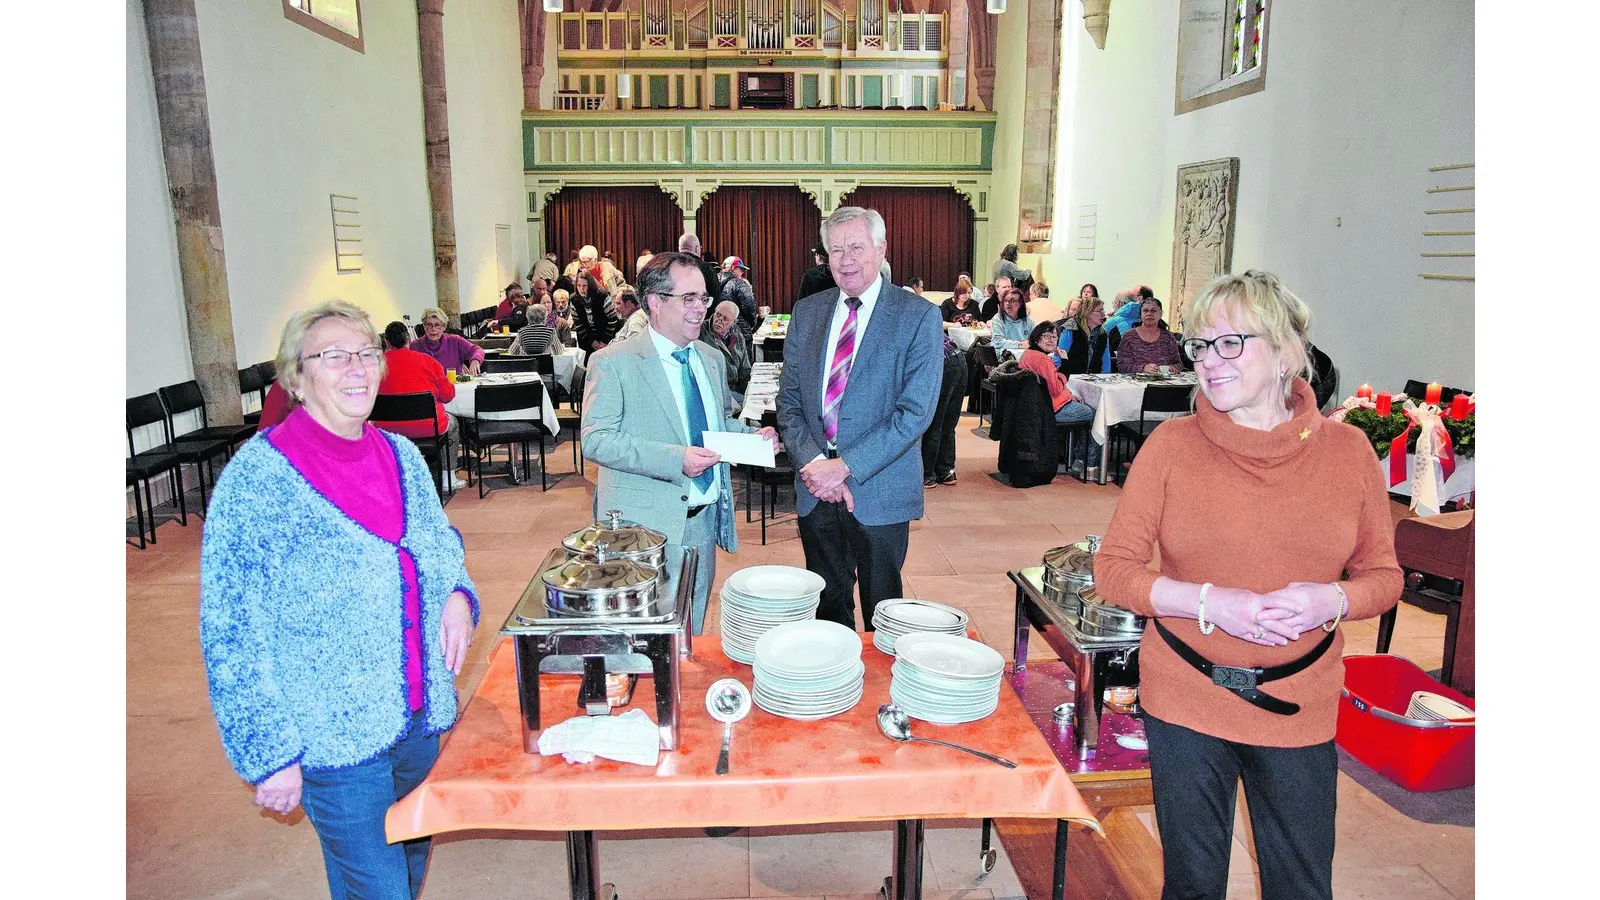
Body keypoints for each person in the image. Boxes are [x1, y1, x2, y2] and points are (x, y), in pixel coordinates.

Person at [1094, 270, 1402, 900]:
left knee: (1302, 885)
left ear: (1286, 351)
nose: (1209, 361)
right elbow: (1114, 571)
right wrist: (1209, 603)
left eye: (1230, 343)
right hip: (1185, 697)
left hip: (1300, 703)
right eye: (1200, 345)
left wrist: (1333, 599)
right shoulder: (1171, 448)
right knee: (1194, 884)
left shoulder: (1347, 455)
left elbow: (1385, 576)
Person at [201, 300, 478, 900]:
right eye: (333, 356)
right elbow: (230, 629)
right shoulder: (258, 481)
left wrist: (456, 594)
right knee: (379, 887)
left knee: (404, 863)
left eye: (365, 353)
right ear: (296, 378)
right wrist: (267, 750)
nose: (356, 368)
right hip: (332, 734)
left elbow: (438, 545)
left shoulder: (402, 457)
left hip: (415, 718)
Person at [581, 252, 778, 634]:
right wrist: (677, 460)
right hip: (642, 528)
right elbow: (596, 440)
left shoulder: (709, 357)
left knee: (694, 629)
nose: (700, 309)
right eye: (688, 298)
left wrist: (750, 437)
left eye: (703, 298)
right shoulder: (614, 362)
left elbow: (713, 423)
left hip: (702, 522)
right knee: (642, 635)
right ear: (654, 302)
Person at [775, 206, 943, 630]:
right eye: (835, 250)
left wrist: (844, 468)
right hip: (816, 490)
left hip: (879, 489)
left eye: (856, 247)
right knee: (827, 610)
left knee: (884, 614)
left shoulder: (917, 316)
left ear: (881, 249)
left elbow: (914, 413)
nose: (846, 259)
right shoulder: (808, 313)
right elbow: (789, 401)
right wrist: (816, 467)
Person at [379, 321, 466, 491]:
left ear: (386, 342)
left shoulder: (374, 365)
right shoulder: (428, 361)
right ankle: (448, 478)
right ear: (408, 339)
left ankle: (389, 481)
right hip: (427, 425)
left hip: (386, 428)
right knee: (453, 424)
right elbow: (447, 396)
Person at [1016, 322, 1100, 473]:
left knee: (1082, 407)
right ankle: (1088, 464)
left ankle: (1079, 458)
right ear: (1036, 338)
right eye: (1047, 336)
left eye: (1054, 337)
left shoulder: (1029, 354)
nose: (1051, 340)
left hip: (1038, 406)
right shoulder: (1042, 360)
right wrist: (1065, 361)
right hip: (1049, 409)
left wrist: (1067, 395)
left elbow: (1053, 386)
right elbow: (1055, 389)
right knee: (1096, 415)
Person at [921, 326, 968, 487]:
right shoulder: (915, 311)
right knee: (948, 422)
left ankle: (927, 474)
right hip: (957, 358)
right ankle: (946, 471)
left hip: (940, 362)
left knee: (933, 421)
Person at [1116, 296, 1184, 373]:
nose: (1149, 314)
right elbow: (1121, 365)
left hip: (1163, 383)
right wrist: (1143, 369)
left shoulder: (1168, 337)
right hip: (1136, 382)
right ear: (1140, 314)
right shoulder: (1129, 337)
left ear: (1160, 314)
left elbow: (1178, 364)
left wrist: (1173, 368)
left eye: (1153, 311)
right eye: (1145, 311)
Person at [413, 306, 484, 376]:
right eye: (429, 324)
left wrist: (475, 360)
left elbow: (476, 350)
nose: (433, 328)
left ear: (444, 327)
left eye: (437, 325)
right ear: (424, 326)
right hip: (427, 386)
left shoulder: (454, 341)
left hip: (454, 385)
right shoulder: (415, 346)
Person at [1058, 296, 1119, 376]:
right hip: (1070, 378)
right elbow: (1059, 355)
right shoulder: (1071, 329)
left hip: (1094, 379)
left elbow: (1106, 361)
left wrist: (1105, 378)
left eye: (1103, 311)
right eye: (1099, 311)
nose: (1103, 314)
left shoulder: (1102, 333)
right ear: (1087, 312)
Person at [707, 299, 752, 405]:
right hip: (717, 391)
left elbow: (745, 370)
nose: (719, 320)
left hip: (736, 389)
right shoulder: (701, 334)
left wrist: (747, 392)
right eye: (718, 315)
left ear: (734, 322)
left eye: (725, 319)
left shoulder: (738, 336)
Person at [570, 271, 620, 351]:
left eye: (585, 286)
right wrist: (592, 341)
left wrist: (605, 341)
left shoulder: (603, 297)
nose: (581, 289)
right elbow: (579, 325)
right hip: (587, 340)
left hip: (607, 336)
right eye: (579, 285)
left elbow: (612, 320)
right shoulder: (574, 300)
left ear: (590, 285)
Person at [677, 232, 725, 309]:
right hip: (699, 315)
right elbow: (715, 297)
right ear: (697, 248)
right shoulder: (706, 269)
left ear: (679, 249)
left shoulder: (667, 266)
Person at [987, 287, 1034, 358]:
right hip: (1003, 359)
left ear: (1020, 304)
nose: (1007, 303)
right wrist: (1020, 345)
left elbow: (1036, 338)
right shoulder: (998, 319)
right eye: (1005, 300)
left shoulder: (1027, 320)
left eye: (1012, 301)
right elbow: (998, 342)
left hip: (1024, 357)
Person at [720, 256, 759, 336]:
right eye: (741, 269)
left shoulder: (713, 280)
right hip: (739, 331)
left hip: (717, 329)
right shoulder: (740, 284)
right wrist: (753, 323)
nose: (743, 272)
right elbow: (749, 306)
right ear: (733, 268)